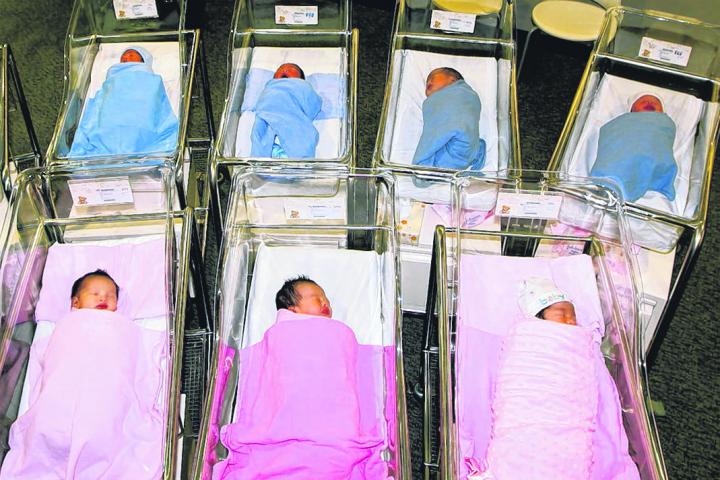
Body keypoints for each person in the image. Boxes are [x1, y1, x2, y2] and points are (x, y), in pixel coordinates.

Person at [68, 46, 179, 158]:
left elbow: (153, 97)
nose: (126, 58)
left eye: (131, 55)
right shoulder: (114, 77)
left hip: (141, 117)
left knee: (143, 125)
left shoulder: (150, 78)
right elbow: (106, 95)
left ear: (143, 60)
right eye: (123, 57)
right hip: (111, 117)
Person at [591, 92, 677, 202]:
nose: (649, 102)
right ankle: (610, 179)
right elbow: (611, 133)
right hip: (622, 153)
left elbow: (661, 141)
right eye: (643, 101)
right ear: (631, 109)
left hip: (650, 153)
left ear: (662, 112)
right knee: (618, 160)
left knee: (647, 160)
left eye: (655, 102)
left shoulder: (664, 122)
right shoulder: (622, 121)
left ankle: (617, 184)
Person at [412, 67, 486, 170]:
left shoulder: (463, 95)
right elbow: (437, 125)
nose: (429, 82)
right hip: (464, 148)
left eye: (433, 77)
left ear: (452, 79)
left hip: (460, 141)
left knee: (425, 168)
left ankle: (424, 165)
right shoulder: (439, 101)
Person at [250, 63, 322, 159]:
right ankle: (262, 159)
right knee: (261, 135)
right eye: (280, 70)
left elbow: (313, 103)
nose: (284, 70)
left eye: (291, 69)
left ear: (300, 80)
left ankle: (298, 159)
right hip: (267, 116)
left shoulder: (302, 87)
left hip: (292, 118)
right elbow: (264, 102)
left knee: (298, 135)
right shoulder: (270, 87)